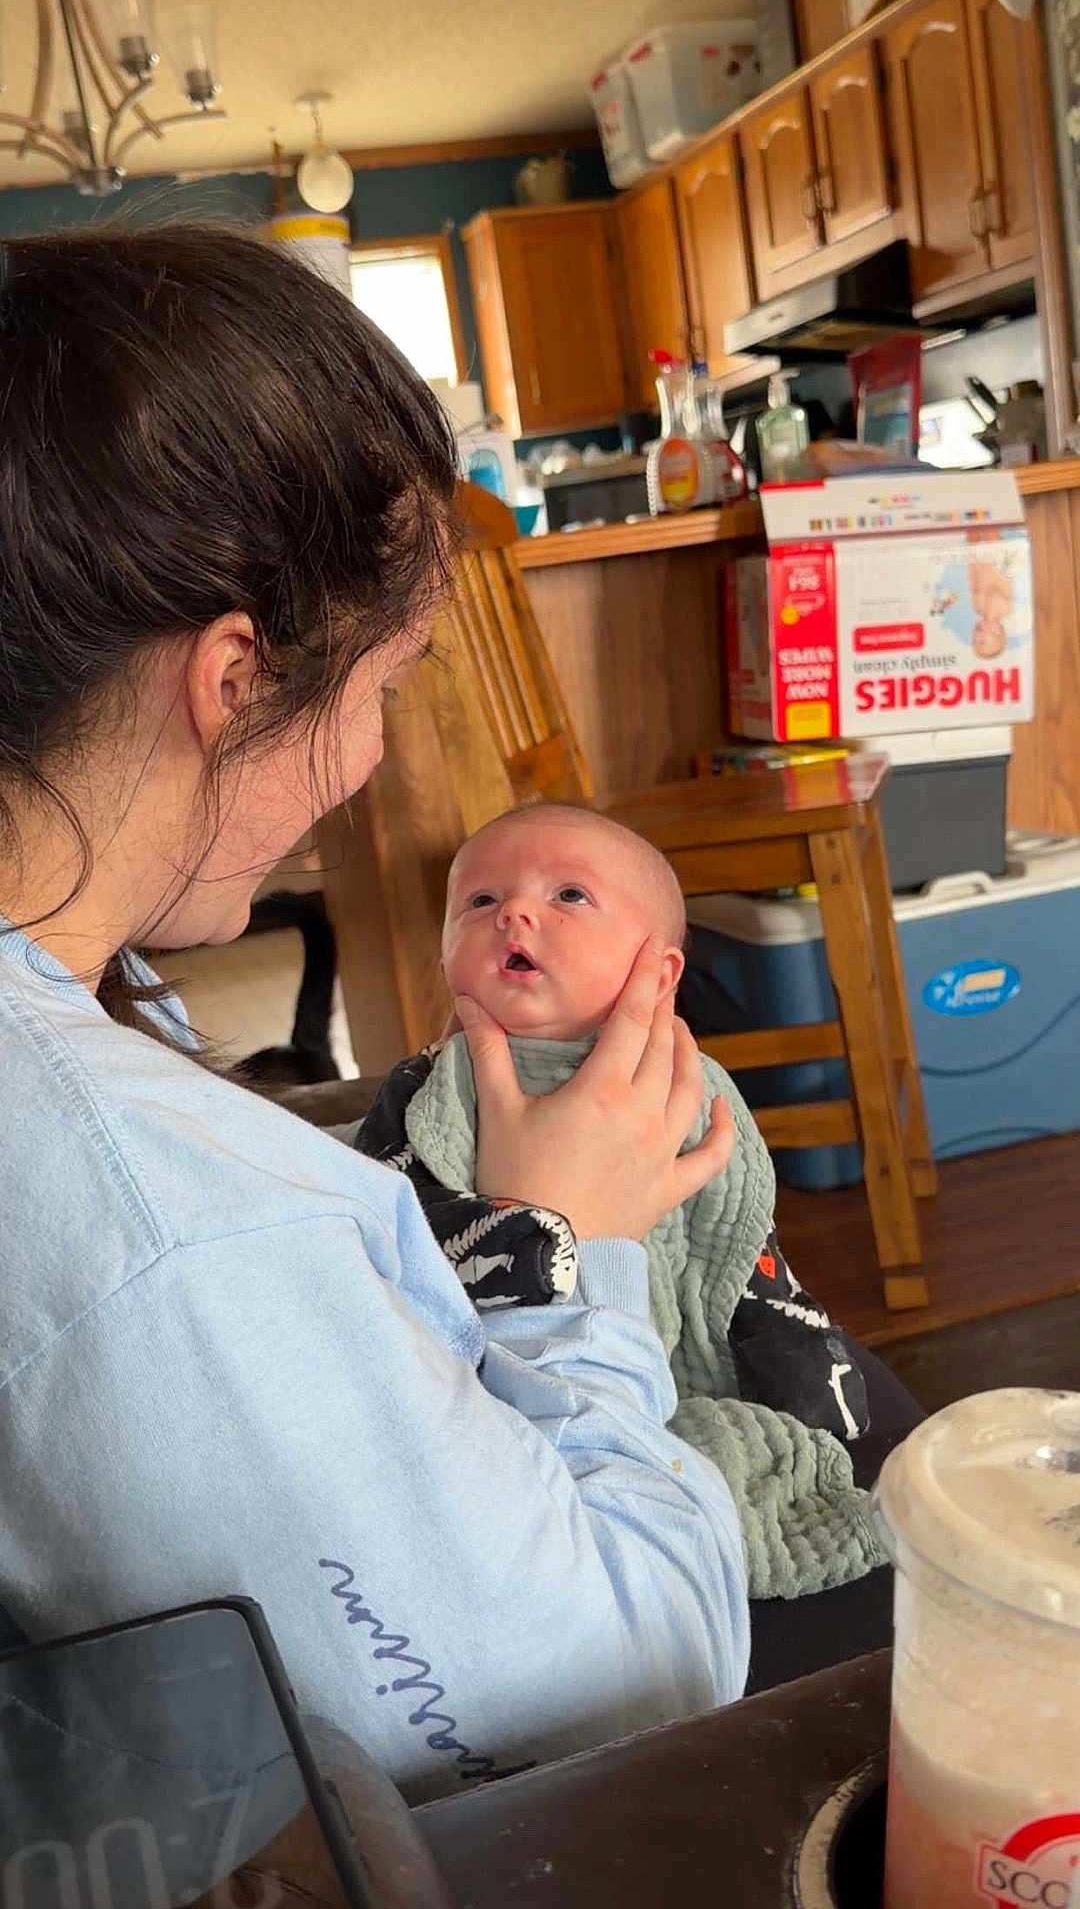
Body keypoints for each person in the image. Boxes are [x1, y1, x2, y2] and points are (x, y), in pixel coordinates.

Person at [0, 224, 747, 1806]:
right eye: (386, 685)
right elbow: (633, 1690)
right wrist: (561, 1248)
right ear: (231, 675)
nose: (366, 764)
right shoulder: (169, 1238)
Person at [355, 803, 880, 1604]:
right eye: (480, 902)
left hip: (676, 1363)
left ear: (659, 973)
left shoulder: (691, 1088)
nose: (515, 915)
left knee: (756, 1448)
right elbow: (377, 1236)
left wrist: (805, 1376)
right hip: (502, 1391)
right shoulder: (428, 1093)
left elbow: (738, 1242)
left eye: (569, 895)